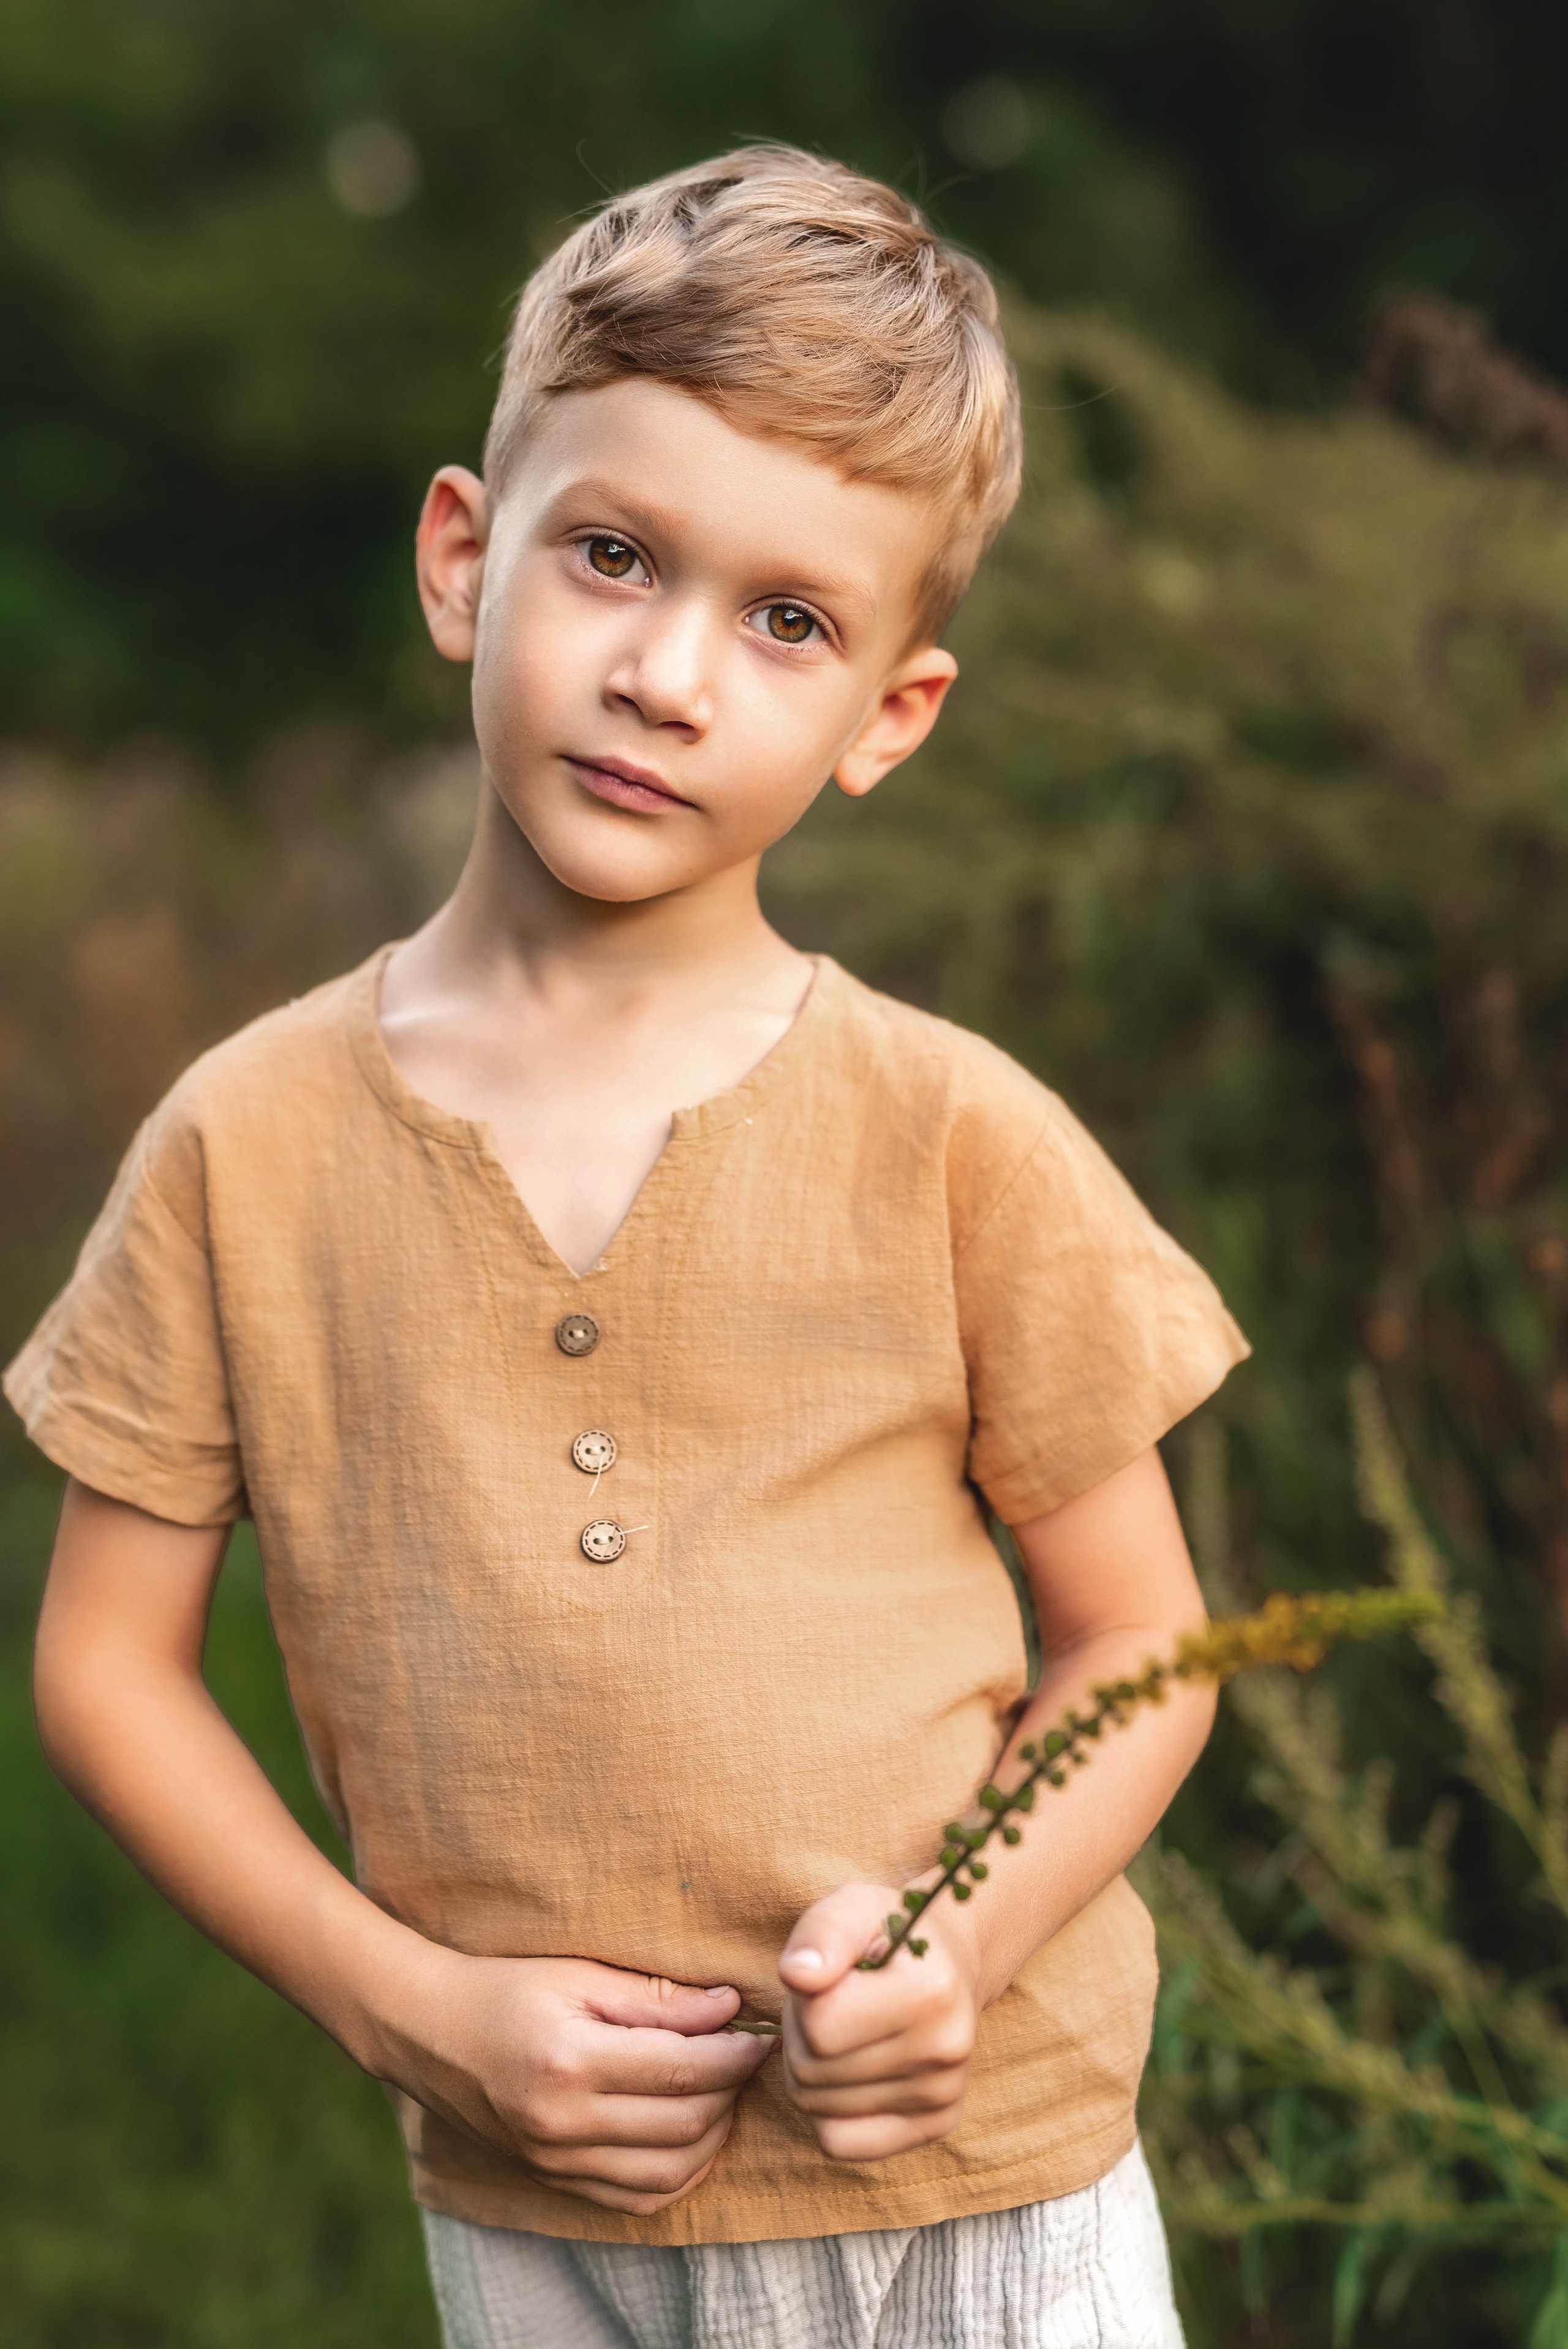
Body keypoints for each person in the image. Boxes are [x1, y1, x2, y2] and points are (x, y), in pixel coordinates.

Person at [7, 146, 1249, 2349]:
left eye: (788, 620)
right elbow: (106, 1669)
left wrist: (966, 1931)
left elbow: (1142, 1642)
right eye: (614, 557)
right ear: (464, 562)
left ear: (890, 713)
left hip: (986, 2193)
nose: (672, 673)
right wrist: (413, 2010)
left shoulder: (951, 1131)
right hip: (543, 2205)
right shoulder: (244, 1145)